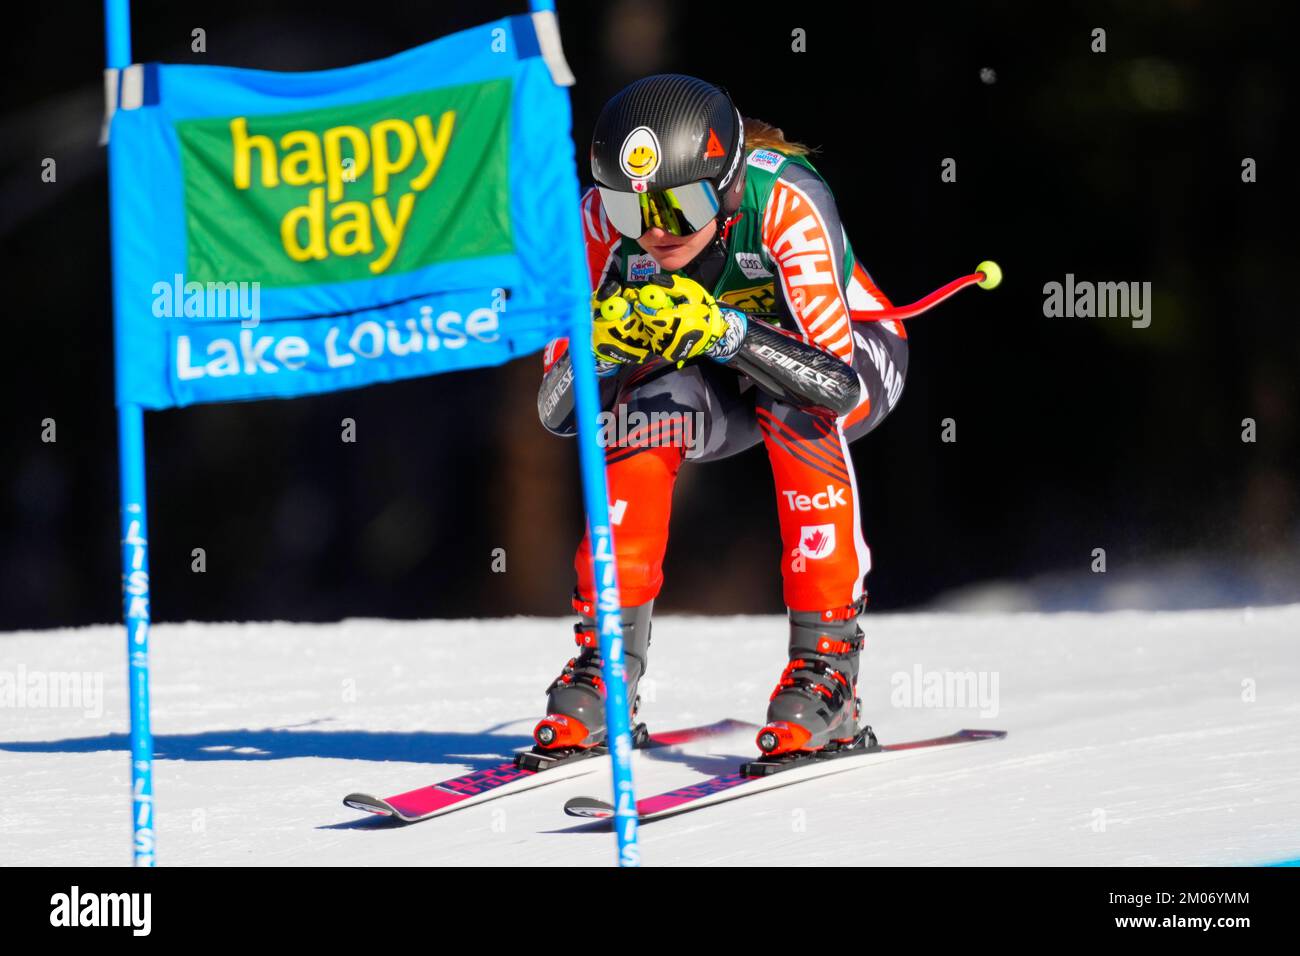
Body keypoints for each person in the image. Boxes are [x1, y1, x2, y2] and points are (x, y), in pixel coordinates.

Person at [533, 74, 909, 758]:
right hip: (717, 375)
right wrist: (599, 353)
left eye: (678, 207)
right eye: (629, 208)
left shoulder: (786, 201)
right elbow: (558, 411)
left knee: (792, 410)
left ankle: (828, 671)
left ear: (729, 188)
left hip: (848, 361)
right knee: (643, 409)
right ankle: (605, 663)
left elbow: (837, 385)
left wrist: (729, 332)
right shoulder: (597, 223)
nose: (652, 230)